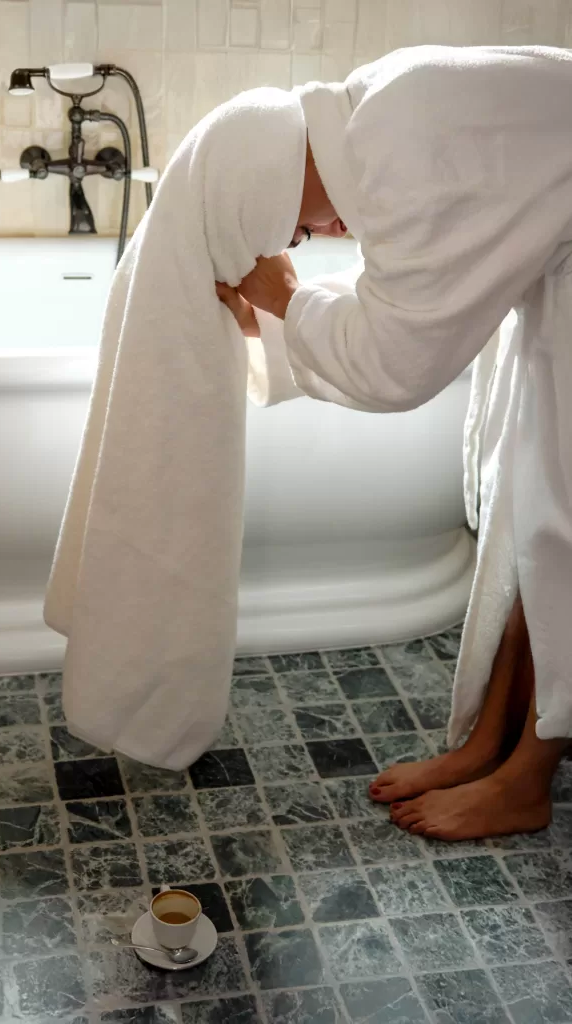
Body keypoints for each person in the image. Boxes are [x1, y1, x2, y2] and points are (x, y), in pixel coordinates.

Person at [217, 43, 572, 841]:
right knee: (542, 524)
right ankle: (489, 745)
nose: (325, 231)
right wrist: (286, 304)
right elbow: (414, 287)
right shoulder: (380, 107)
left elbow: (393, 365)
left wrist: (282, 293)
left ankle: (525, 779)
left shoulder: (400, 151)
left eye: (297, 233)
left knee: (567, 534)